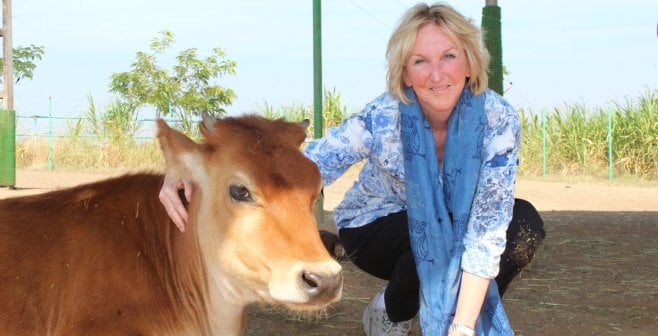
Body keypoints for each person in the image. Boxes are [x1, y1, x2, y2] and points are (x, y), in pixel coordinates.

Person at [159, 2, 545, 336]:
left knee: (522, 225)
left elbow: (487, 229)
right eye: (420, 61)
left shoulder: (497, 119)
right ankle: (391, 311)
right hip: (374, 225)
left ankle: (460, 311)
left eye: (449, 56)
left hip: (455, 229)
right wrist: (197, 172)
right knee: (426, 237)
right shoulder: (385, 114)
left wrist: (461, 327)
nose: (436, 73)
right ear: (405, 73)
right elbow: (308, 166)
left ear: (469, 62)